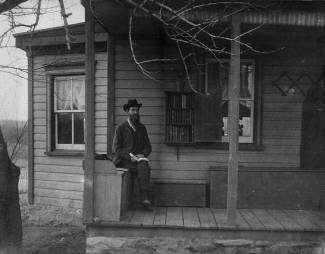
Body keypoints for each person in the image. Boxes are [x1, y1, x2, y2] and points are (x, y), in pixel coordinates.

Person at [112, 99, 152, 210]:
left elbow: (148, 147)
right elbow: (116, 149)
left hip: (138, 161)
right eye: (133, 110)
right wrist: (129, 157)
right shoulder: (120, 128)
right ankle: (142, 199)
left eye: (137, 110)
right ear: (128, 112)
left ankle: (144, 198)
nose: (135, 112)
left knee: (144, 165)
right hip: (124, 162)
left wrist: (141, 154)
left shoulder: (142, 128)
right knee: (143, 167)